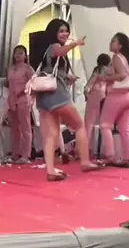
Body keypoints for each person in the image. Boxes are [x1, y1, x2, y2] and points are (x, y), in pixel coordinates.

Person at [33, 19, 102, 181]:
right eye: (61, 31)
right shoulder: (54, 47)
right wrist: (75, 43)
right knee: (79, 125)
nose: (65, 34)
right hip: (57, 95)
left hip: (44, 98)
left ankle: (50, 171)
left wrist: (67, 77)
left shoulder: (45, 50)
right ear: (54, 33)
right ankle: (85, 161)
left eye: (66, 31)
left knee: (51, 134)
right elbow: (60, 51)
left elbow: (53, 68)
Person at [98, 33, 129, 168]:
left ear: (120, 45)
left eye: (113, 41)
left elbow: (121, 75)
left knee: (105, 125)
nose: (110, 43)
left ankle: (109, 156)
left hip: (118, 95)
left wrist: (106, 78)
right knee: (124, 128)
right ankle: (127, 157)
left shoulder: (116, 57)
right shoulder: (125, 58)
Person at [4, 45, 34, 164]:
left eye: (21, 53)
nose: (18, 55)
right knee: (14, 129)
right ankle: (15, 154)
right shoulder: (10, 69)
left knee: (25, 127)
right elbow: (8, 83)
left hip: (23, 99)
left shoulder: (28, 69)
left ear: (25, 55)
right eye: (16, 53)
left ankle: (26, 155)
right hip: (12, 100)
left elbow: (33, 83)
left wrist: (23, 91)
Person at [84, 53, 111, 156]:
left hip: (94, 94)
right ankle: (102, 150)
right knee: (103, 123)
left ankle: (85, 149)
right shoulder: (110, 71)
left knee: (89, 122)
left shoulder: (97, 70)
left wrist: (86, 93)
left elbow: (89, 84)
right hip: (104, 95)